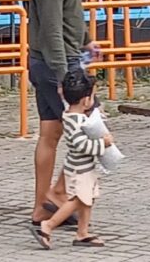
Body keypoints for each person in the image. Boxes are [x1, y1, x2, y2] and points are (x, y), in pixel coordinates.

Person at [28, 0, 101, 227]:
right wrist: (63, 77)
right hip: (56, 62)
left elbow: (72, 13)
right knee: (89, 130)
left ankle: (41, 206)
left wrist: (87, 40)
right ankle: (56, 198)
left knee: (51, 133)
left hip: (59, 58)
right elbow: (51, 29)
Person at [30, 69, 111, 250]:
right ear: (85, 100)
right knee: (77, 200)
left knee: (87, 198)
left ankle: (82, 232)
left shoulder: (72, 115)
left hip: (84, 167)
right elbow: (81, 145)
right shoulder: (76, 121)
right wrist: (102, 144)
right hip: (79, 169)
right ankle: (49, 225)